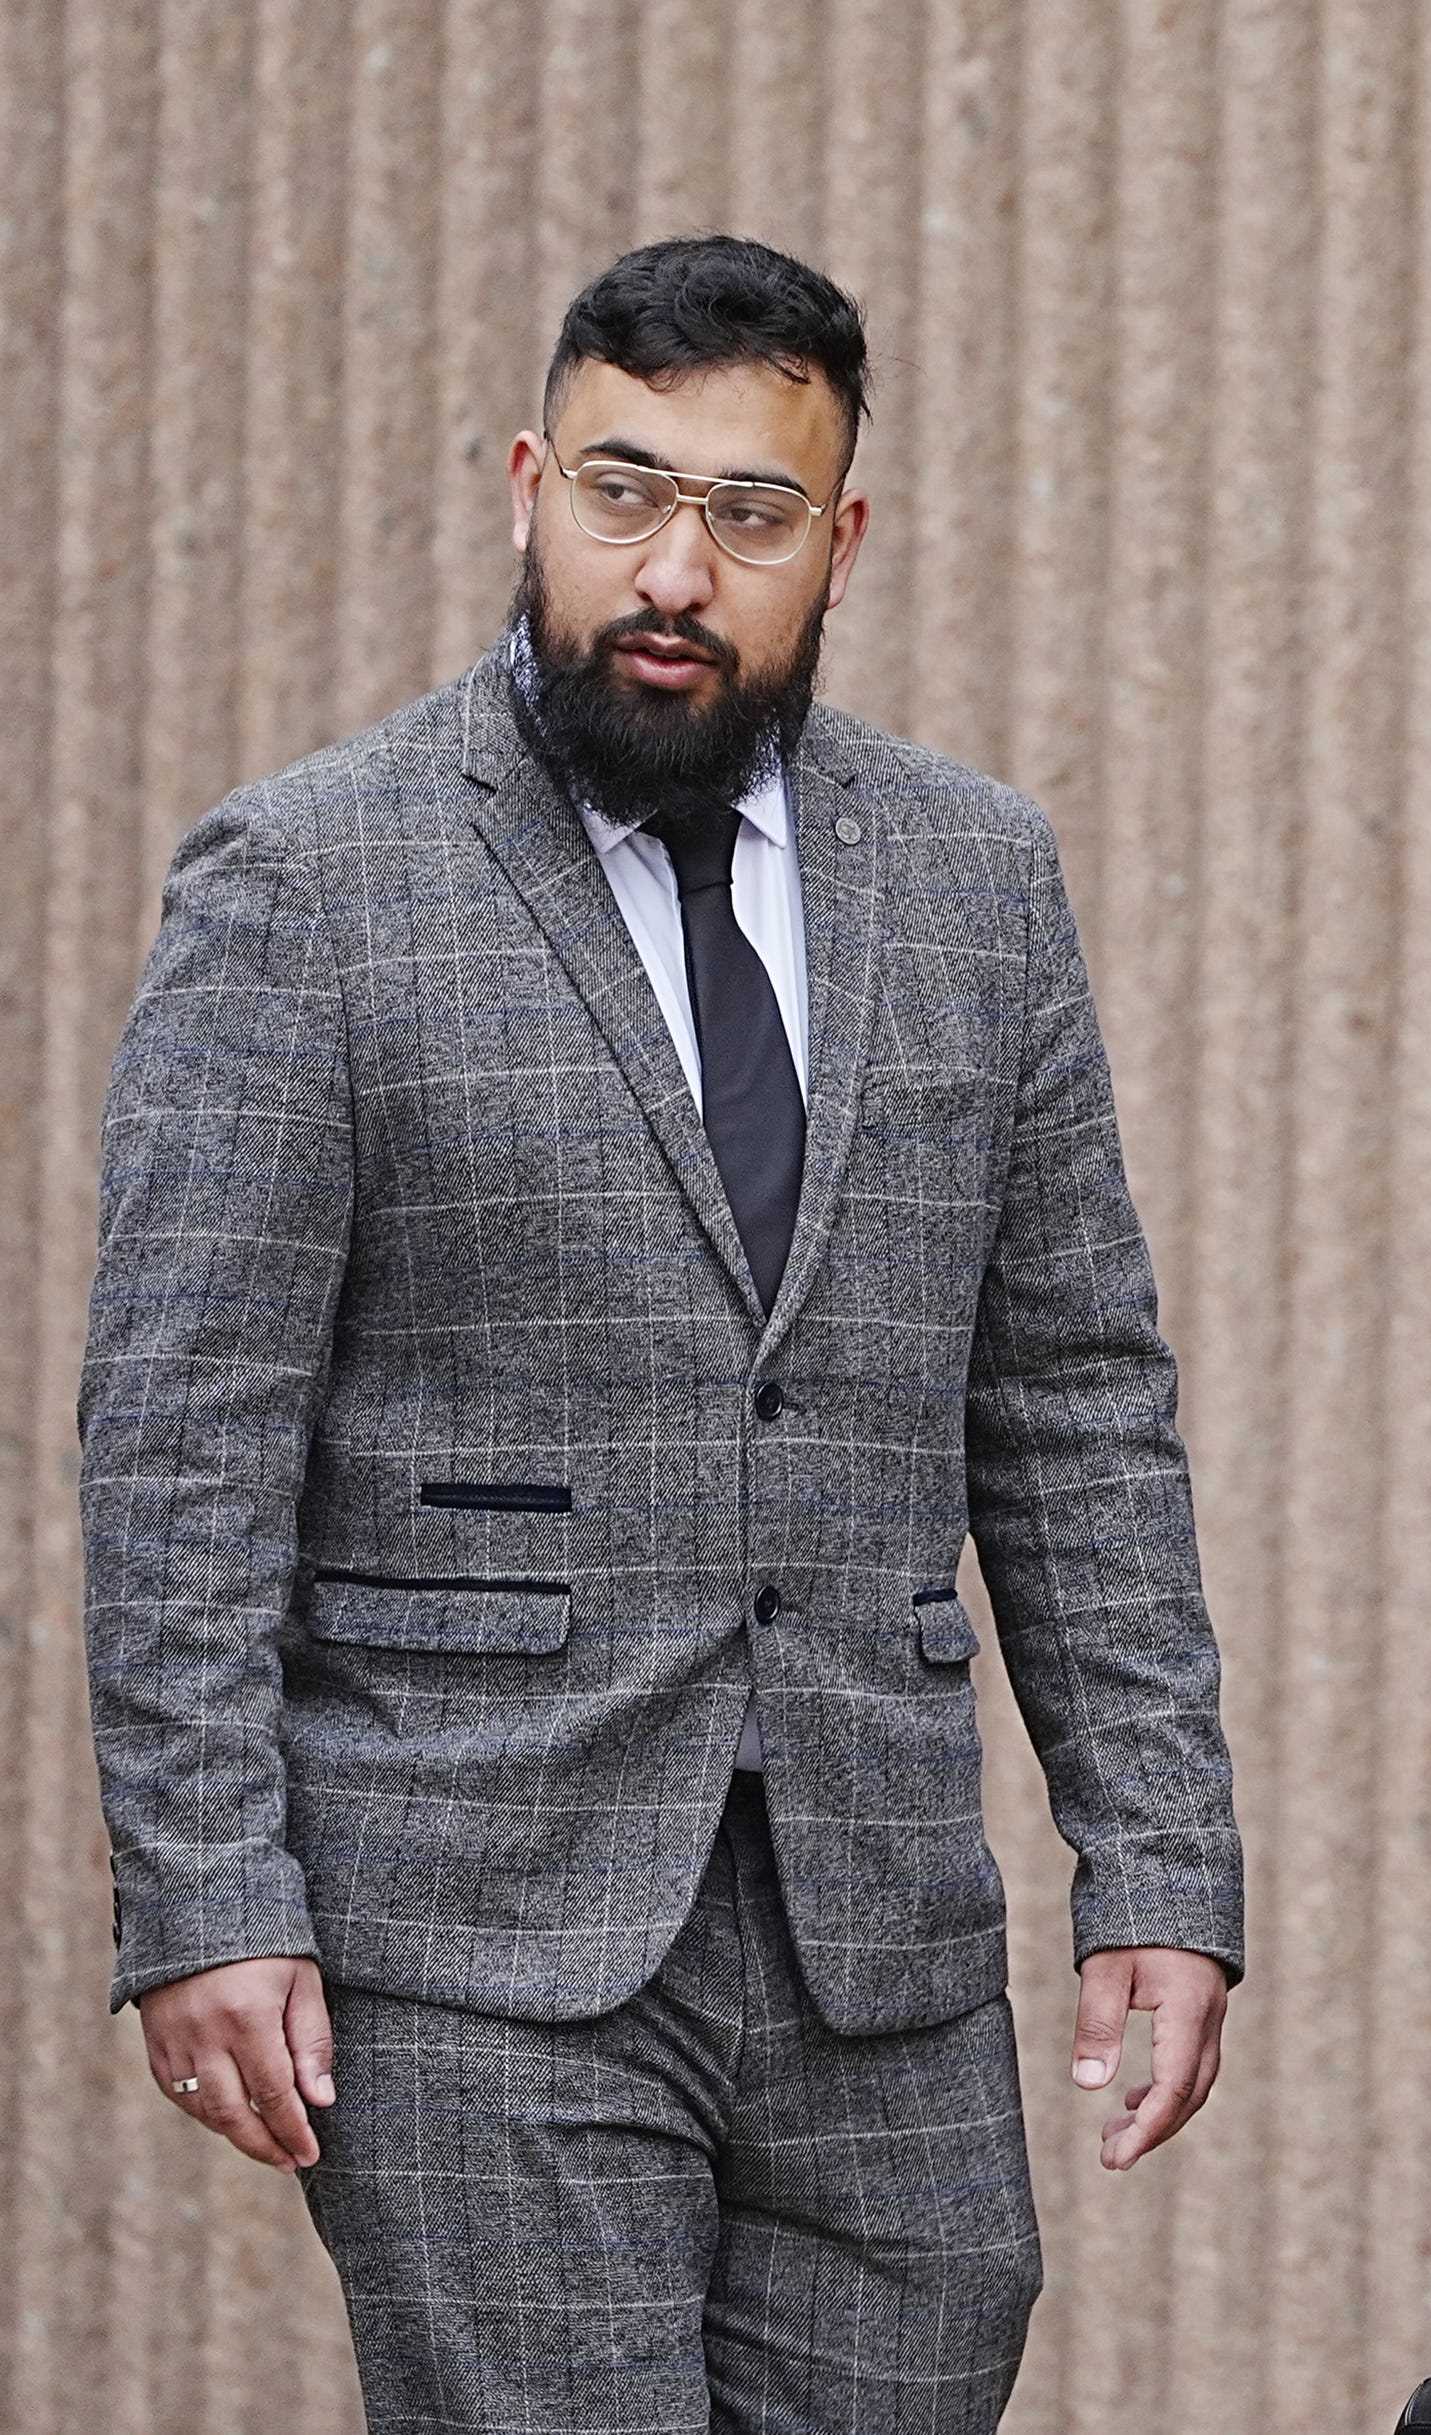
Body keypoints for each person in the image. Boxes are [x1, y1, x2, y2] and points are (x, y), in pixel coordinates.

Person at [77, 235, 1242, 2433]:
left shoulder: (977, 877)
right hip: (471, 1927)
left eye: (747, 513)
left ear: (841, 542)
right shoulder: (308, 882)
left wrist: (1157, 1857)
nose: (675, 570)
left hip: (874, 1931)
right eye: (624, 491)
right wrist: (207, 1889)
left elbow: (1078, 1401)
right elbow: (182, 1439)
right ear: (527, 483)